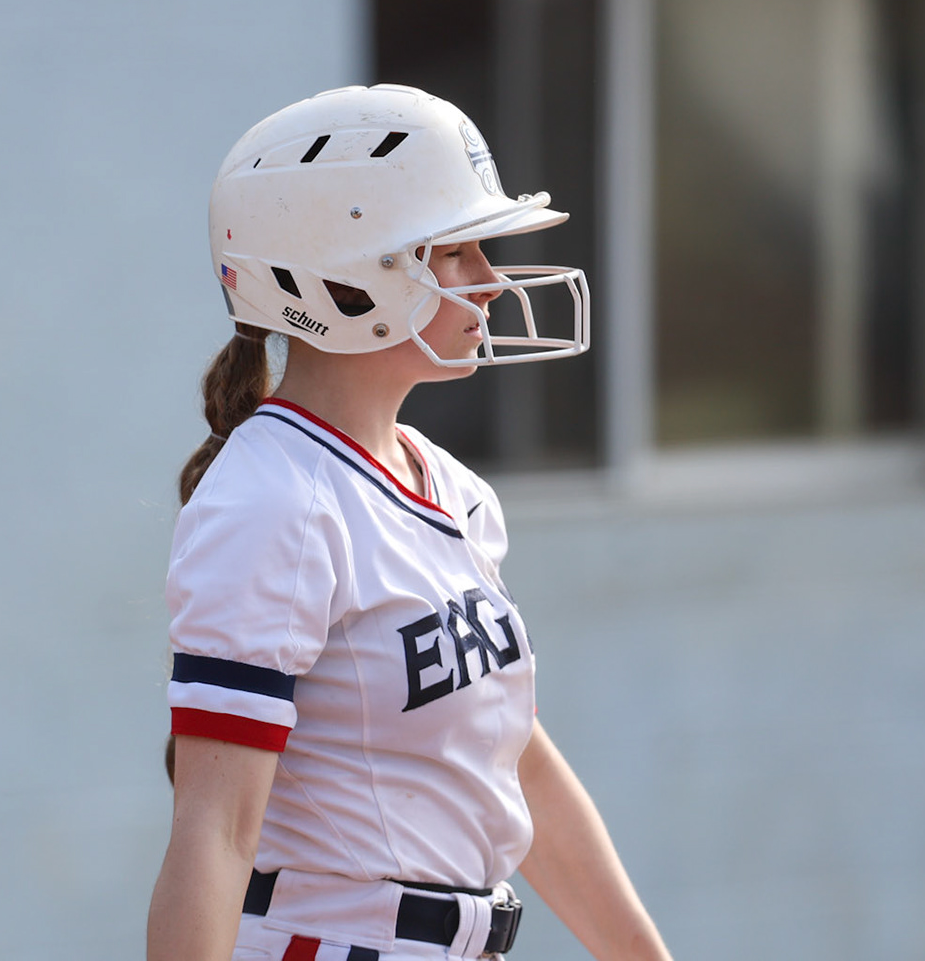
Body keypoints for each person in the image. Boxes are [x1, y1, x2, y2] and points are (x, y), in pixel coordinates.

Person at [148, 85, 674, 961]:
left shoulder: (449, 484)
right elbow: (214, 836)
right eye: (457, 251)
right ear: (349, 276)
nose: (494, 281)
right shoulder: (273, 502)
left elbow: (515, 761)